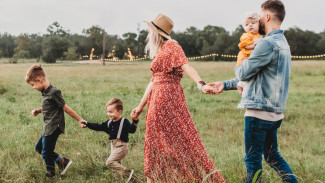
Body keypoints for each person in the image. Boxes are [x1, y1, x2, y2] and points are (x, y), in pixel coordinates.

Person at [209, 0, 298, 182]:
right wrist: (225, 85)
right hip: (275, 113)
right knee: (273, 157)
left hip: (258, 113)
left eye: (259, 17)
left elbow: (244, 72)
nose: (257, 21)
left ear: (267, 16)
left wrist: (238, 62)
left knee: (252, 160)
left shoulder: (266, 44)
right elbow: (256, 77)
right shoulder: (284, 44)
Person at [130, 14, 224, 183]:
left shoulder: (172, 46)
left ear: (156, 32)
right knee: (156, 141)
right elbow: (153, 81)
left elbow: (186, 65)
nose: (147, 33)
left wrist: (201, 84)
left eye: (149, 30)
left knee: (179, 140)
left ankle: (183, 177)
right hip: (157, 99)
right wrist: (140, 106)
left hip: (167, 99)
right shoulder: (161, 50)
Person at [25, 65, 86, 178]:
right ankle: (62, 162)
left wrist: (80, 119)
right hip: (48, 127)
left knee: (46, 152)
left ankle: (51, 174)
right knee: (39, 148)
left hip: (54, 126)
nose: (33, 87)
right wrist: (38, 111)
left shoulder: (54, 92)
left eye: (33, 85)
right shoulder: (45, 92)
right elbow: (49, 106)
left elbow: (65, 107)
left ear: (39, 80)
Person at [82, 98, 138, 182]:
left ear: (119, 112)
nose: (109, 114)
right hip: (113, 146)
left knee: (110, 162)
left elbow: (132, 130)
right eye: (108, 112)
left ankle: (127, 172)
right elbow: (98, 127)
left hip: (122, 146)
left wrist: (135, 121)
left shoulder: (124, 122)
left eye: (111, 112)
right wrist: (87, 124)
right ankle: (121, 180)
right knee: (116, 166)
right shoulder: (109, 123)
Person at [236, 12, 262, 96]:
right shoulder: (246, 35)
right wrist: (253, 46)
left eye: (253, 23)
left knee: (251, 72)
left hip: (252, 56)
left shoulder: (259, 36)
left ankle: (241, 84)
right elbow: (243, 45)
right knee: (246, 68)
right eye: (247, 25)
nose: (250, 25)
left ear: (259, 25)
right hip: (245, 56)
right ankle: (241, 84)